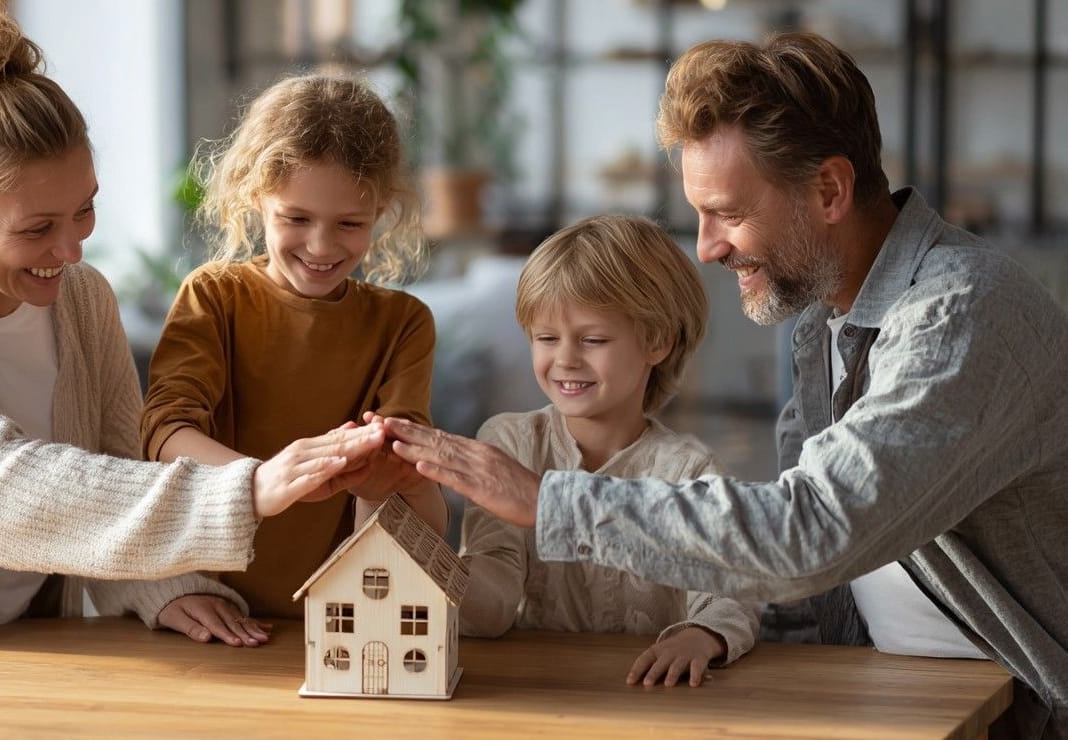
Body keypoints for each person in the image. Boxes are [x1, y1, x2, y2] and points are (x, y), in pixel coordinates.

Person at [386, 31, 1067, 738]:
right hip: (882, 688)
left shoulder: (961, 313)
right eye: (700, 215)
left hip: (1012, 713)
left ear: (830, 190)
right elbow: (813, 595)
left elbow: (813, 531)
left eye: (730, 214)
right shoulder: (824, 323)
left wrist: (548, 501)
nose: (708, 248)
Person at [0, 11, 387, 644]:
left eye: (84, 210)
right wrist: (247, 489)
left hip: (8, 647)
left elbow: (117, 462)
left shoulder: (81, 298)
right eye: (37, 228)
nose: (71, 250)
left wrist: (162, 586)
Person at [139, 74, 448, 643]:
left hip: (341, 622)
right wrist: (265, 479)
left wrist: (389, 467)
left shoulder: (403, 324)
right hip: (211, 611)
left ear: (381, 210)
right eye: (296, 218)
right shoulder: (213, 297)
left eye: (349, 224)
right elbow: (165, 433)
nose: (322, 246)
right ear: (256, 196)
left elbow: (404, 482)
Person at [456, 215, 757, 688]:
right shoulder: (509, 444)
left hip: (651, 693)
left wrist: (701, 635)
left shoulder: (687, 469)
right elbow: (489, 608)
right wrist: (427, 557)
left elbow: (731, 595)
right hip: (535, 690)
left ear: (658, 342)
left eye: (592, 340)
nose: (565, 359)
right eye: (546, 338)